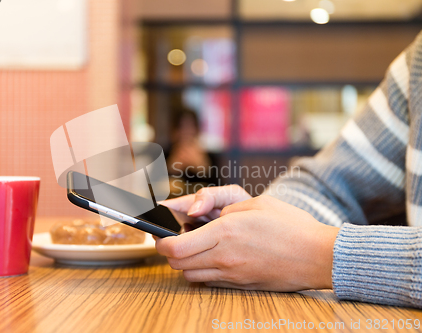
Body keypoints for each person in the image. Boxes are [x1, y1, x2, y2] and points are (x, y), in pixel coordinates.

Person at [155, 32, 422, 308]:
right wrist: (255, 222)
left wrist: (320, 254)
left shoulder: (209, 153)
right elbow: (331, 185)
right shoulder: (418, 61)